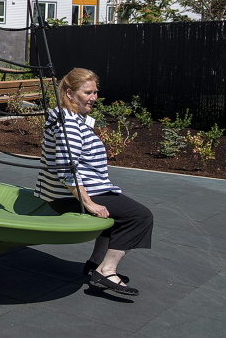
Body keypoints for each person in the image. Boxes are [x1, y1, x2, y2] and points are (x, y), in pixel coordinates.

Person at [35, 68, 153, 297]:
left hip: (77, 190)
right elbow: (66, 169)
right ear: (69, 93)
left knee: (117, 211)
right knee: (140, 216)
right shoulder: (67, 123)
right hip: (69, 195)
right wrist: (89, 203)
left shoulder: (71, 117)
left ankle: (95, 262)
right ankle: (106, 270)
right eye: (88, 92)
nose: (94, 97)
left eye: (96, 92)